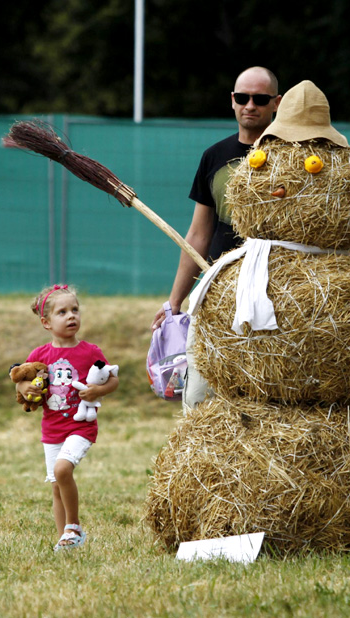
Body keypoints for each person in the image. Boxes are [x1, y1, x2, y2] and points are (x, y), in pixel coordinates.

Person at [151, 67, 281, 409]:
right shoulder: (214, 156)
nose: (250, 105)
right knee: (198, 398)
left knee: (263, 398)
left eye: (260, 98)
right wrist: (174, 302)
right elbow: (198, 234)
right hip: (218, 289)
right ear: (233, 101)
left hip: (275, 295)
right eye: (242, 97)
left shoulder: (292, 156)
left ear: (276, 103)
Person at [15, 284, 119, 551]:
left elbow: (113, 379)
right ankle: (65, 539)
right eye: (62, 312)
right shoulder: (39, 356)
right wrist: (23, 389)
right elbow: (22, 381)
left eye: (75, 310)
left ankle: (74, 526)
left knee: (63, 470)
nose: (71, 315)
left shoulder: (90, 352)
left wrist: (100, 389)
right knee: (56, 487)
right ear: (46, 322)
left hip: (81, 426)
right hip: (51, 430)